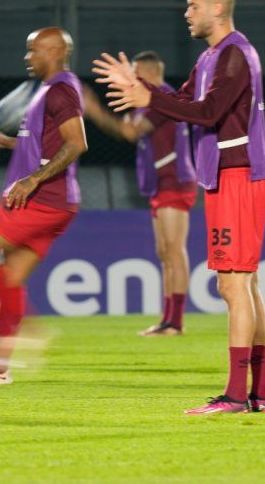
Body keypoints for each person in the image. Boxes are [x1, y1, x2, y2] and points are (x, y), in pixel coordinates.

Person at [93, 0, 265, 414]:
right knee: (241, 284)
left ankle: (235, 395)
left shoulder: (234, 54)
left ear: (216, 8)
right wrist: (145, 91)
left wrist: (145, 96)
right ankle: (262, 393)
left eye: (192, 5)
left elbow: (207, 111)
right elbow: (187, 99)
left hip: (239, 174)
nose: (186, 13)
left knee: (233, 285)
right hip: (225, 174)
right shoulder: (213, 56)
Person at [0, 27, 87, 386]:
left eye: (33, 51)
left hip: (41, 199)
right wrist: (10, 143)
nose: (27, 58)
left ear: (55, 51)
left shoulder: (60, 89)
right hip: (56, 202)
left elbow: (76, 144)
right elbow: (45, 143)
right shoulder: (49, 89)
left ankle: (29, 326)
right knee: (9, 279)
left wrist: (33, 180)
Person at [83, 52, 196, 337]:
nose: (130, 78)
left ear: (146, 72)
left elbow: (131, 132)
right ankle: (167, 319)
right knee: (164, 252)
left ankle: (176, 322)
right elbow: (131, 127)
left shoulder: (163, 98)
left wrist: (94, 110)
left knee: (174, 249)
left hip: (175, 180)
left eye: (134, 73)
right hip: (161, 183)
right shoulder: (145, 101)